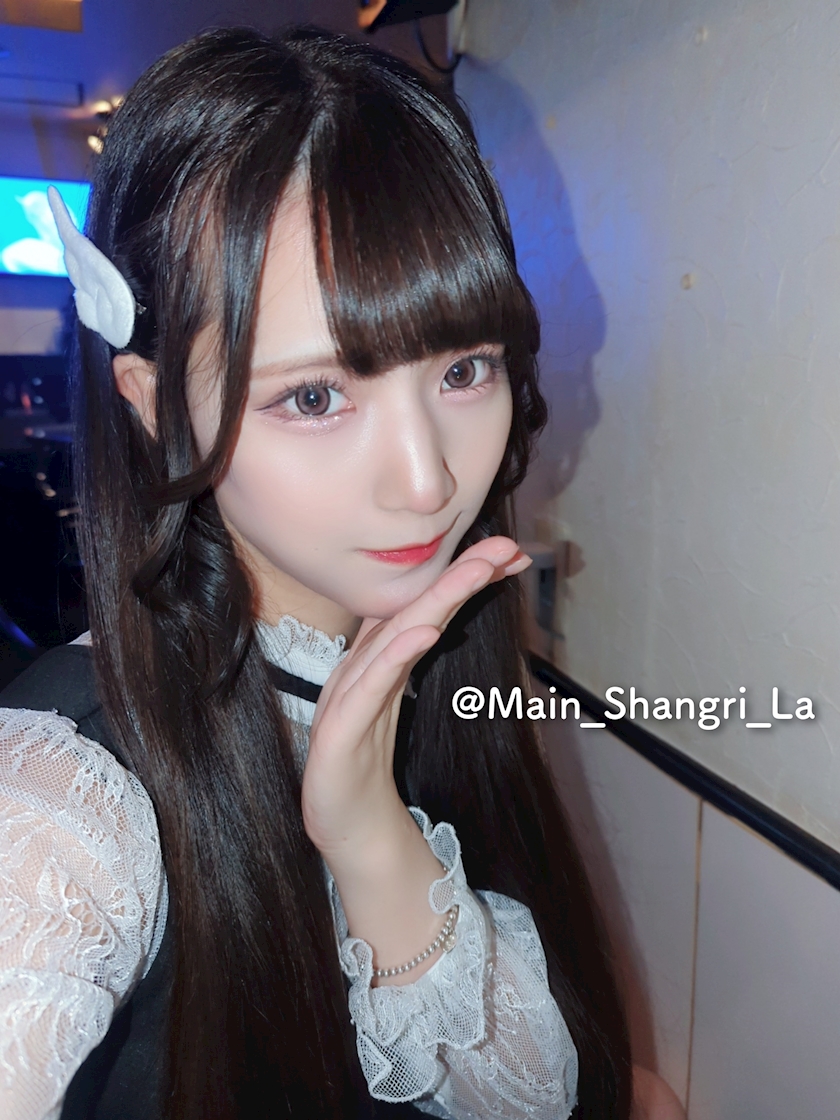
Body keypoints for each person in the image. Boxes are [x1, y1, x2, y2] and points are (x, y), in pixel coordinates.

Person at [0, 25, 636, 1120]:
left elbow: (537, 1100)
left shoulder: (441, 663)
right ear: (151, 402)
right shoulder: (67, 796)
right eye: (314, 396)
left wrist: (372, 835)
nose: (428, 481)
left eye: (464, 369)